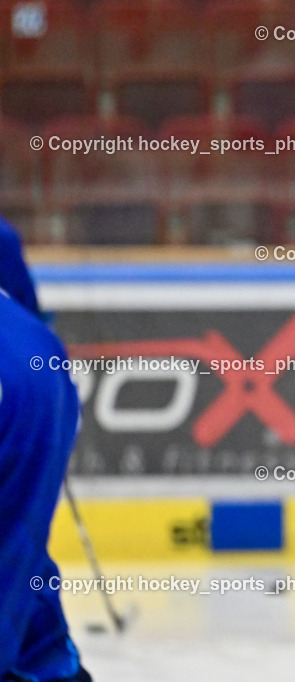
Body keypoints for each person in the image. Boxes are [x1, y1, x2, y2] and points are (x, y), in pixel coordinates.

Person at [0, 217, 92, 682]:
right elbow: (29, 311)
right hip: (36, 360)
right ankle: (50, 665)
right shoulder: (3, 235)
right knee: (18, 549)